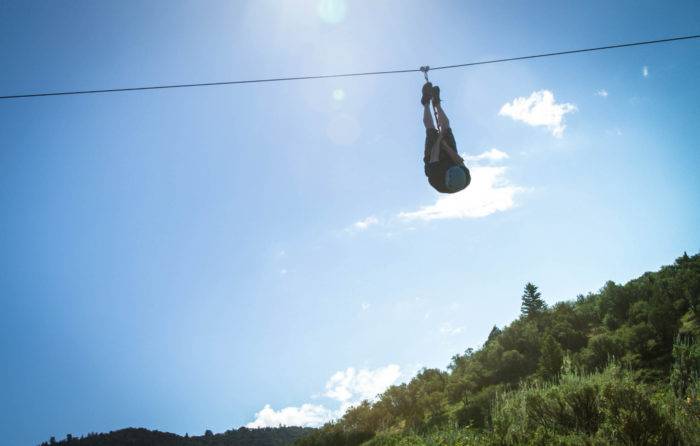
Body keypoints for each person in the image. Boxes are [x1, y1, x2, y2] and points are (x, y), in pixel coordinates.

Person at [421, 82, 471, 193]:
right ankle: (437, 103)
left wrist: (440, 140)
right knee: (446, 127)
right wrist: (446, 144)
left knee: (430, 129)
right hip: (450, 159)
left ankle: (425, 103)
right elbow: (458, 160)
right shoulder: (466, 177)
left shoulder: (436, 180)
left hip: (432, 160)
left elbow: (434, 154)